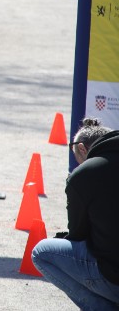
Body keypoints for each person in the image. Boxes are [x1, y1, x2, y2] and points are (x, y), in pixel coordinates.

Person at [32, 119, 119, 310]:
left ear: (82, 148)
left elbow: (78, 234)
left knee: (42, 252)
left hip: (113, 275)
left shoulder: (83, 175)